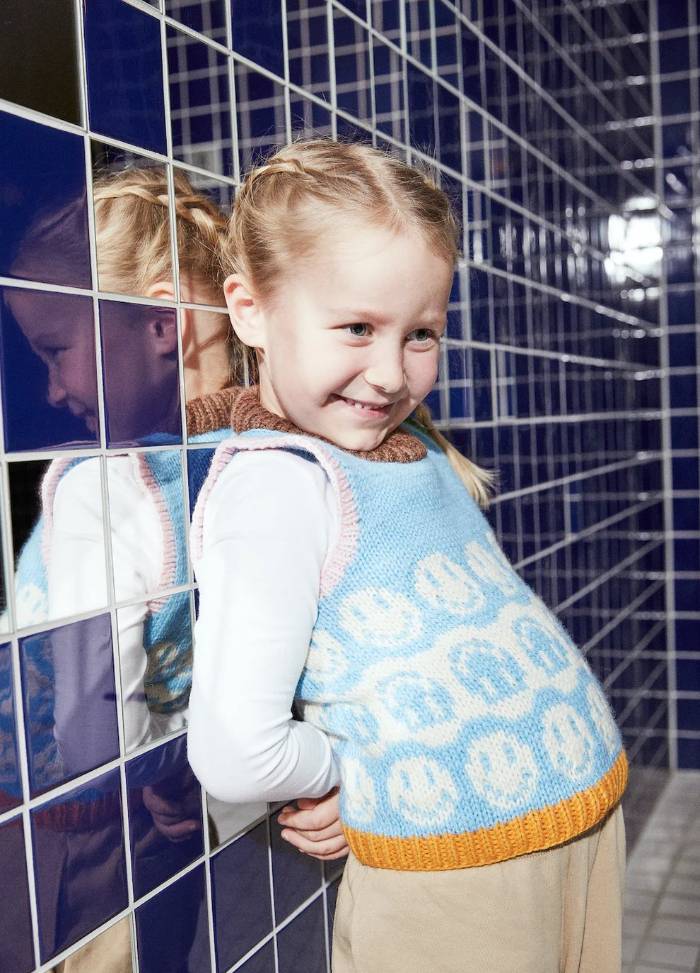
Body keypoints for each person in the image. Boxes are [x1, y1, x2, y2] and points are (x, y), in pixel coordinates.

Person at [187, 136, 629, 973]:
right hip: (460, 869)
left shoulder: (404, 444)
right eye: (356, 327)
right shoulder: (277, 487)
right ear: (248, 309)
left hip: (568, 817)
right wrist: (352, 767)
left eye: (421, 333)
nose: (390, 373)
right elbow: (236, 749)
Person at [6, 165, 250, 971]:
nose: (52, 386)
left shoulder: (104, 486)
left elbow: (83, 722)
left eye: (56, 349)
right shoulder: (250, 460)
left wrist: (162, 764)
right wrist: (183, 762)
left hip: (61, 839)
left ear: (163, 320)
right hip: (145, 807)